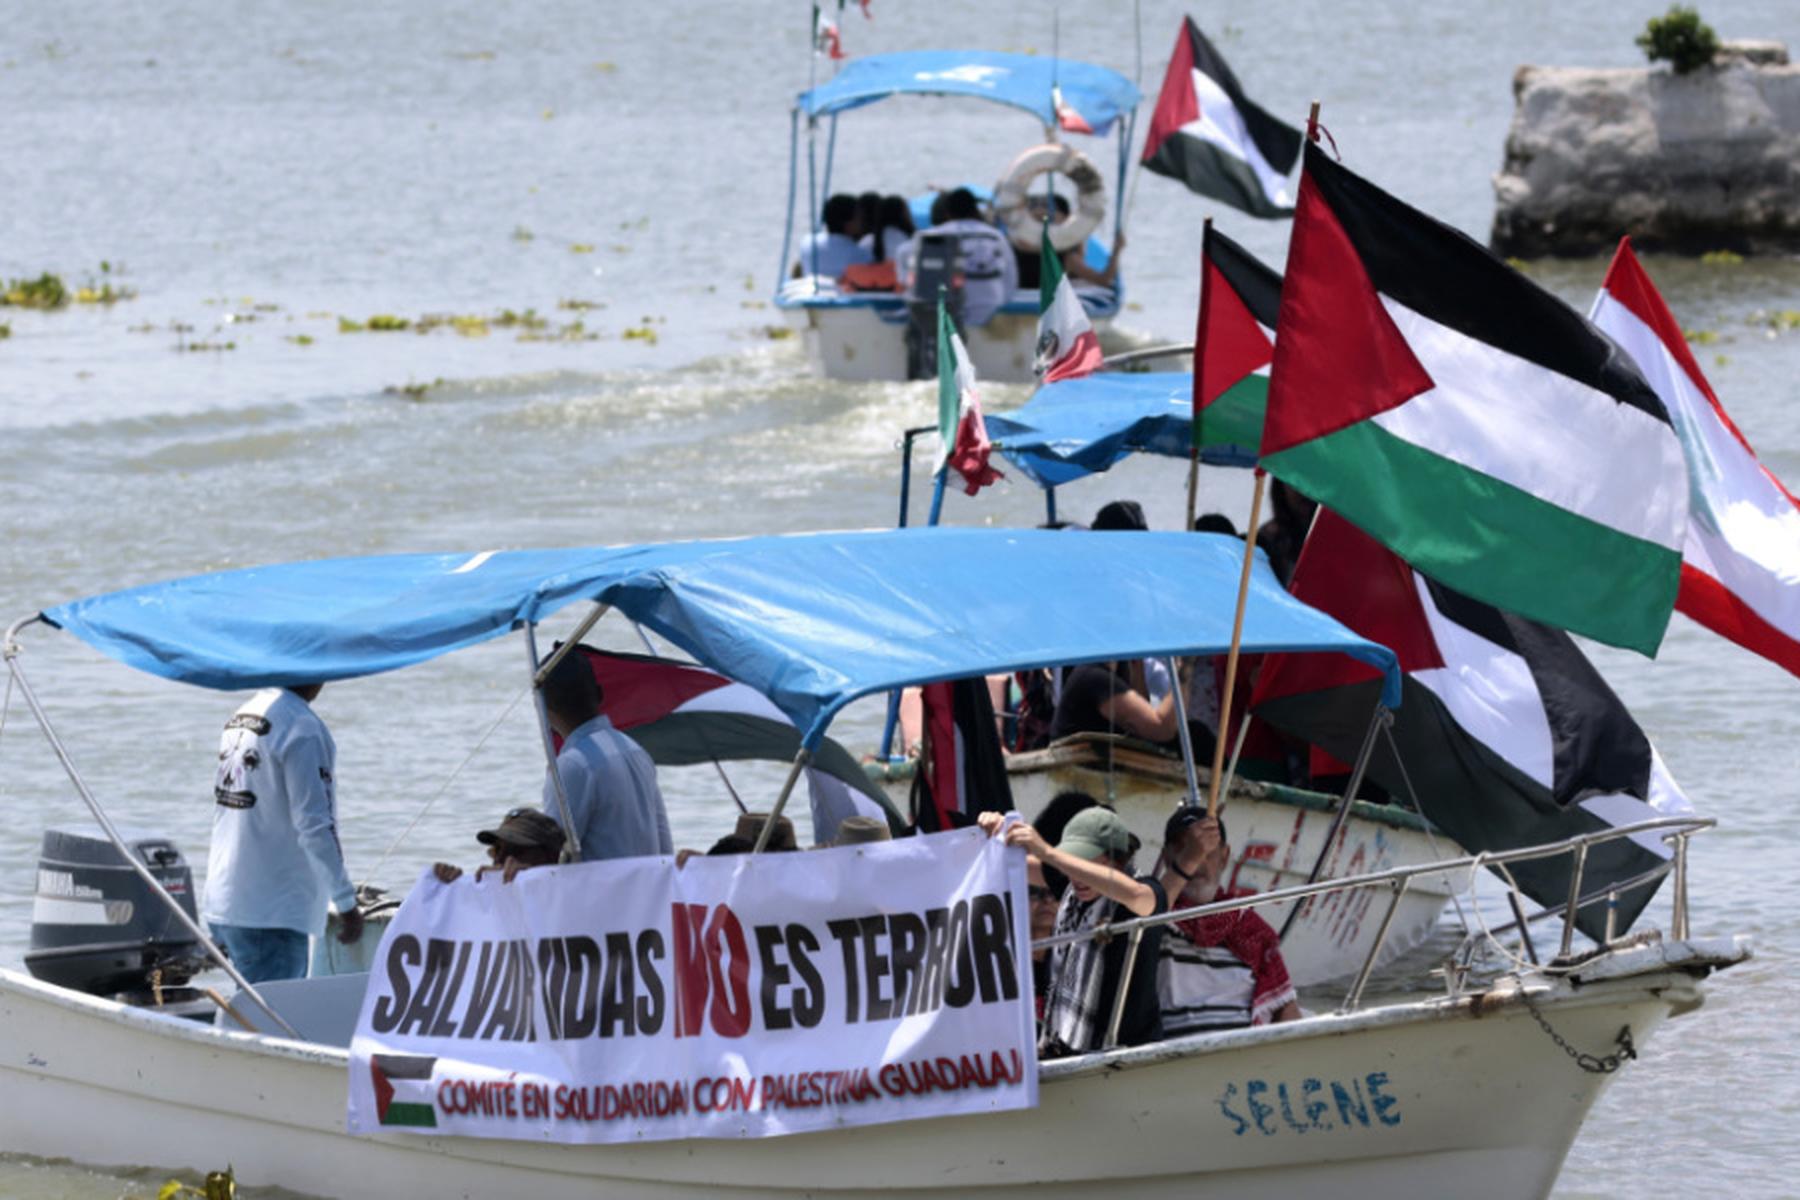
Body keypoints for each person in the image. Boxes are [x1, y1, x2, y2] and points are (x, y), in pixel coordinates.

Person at [203, 683, 362, 984]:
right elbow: (315, 825)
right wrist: (345, 902)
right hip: (271, 914)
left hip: (227, 901)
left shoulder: (244, 714)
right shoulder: (303, 728)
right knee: (274, 1024)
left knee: (249, 1018)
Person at [979, 806, 1168, 1055]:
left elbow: (1136, 896)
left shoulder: (1146, 889)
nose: (1076, 876)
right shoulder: (1070, 886)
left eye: (1086, 862)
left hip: (1129, 1055)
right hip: (1068, 1053)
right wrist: (998, 832)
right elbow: (1013, 863)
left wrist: (1048, 853)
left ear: (1117, 859)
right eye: (1072, 861)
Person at [1155, 809, 1300, 1033]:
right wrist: (1187, 861)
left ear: (1224, 856)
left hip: (1243, 1059)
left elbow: (1286, 1011)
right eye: (1187, 851)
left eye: (1208, 851)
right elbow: (1150, 909)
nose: (1198, 862)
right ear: (1167, 858)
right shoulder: (1151, 925)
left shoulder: (1250, 929)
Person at [540, 652, 673, 862]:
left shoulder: (572, 766)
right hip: (647, 889)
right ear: (600, 694)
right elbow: (665, 847)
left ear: (543, 710)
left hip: (600, 894)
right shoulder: (636, 750)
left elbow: (550, 858)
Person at [910, 187, 1017, 327]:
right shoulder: (996, 236)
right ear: (975, 209)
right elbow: (1010, 281)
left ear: (947, 212)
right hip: (990, 308)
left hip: (942, 315)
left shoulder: (929, 237)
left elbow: (916, 283)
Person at [1048, 660, 1180, 744]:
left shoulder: (1120, 672)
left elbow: (1141, 727)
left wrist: (1136, 664)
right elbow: (1160, 729)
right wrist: (1184, 669)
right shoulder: (1093, 677)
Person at [432, 806, 566, 884]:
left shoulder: (573, 900)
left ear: (551, 857)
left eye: (516, 850)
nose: (501, 860)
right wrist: (451, 890)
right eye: (497, 850)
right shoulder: (487, 905)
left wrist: (535, 880)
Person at [793, 193, 872, 279]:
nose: (863, 222)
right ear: (848, 224)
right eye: (860, 217)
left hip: (809, 290)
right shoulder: (862, 254)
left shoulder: (808, 242)